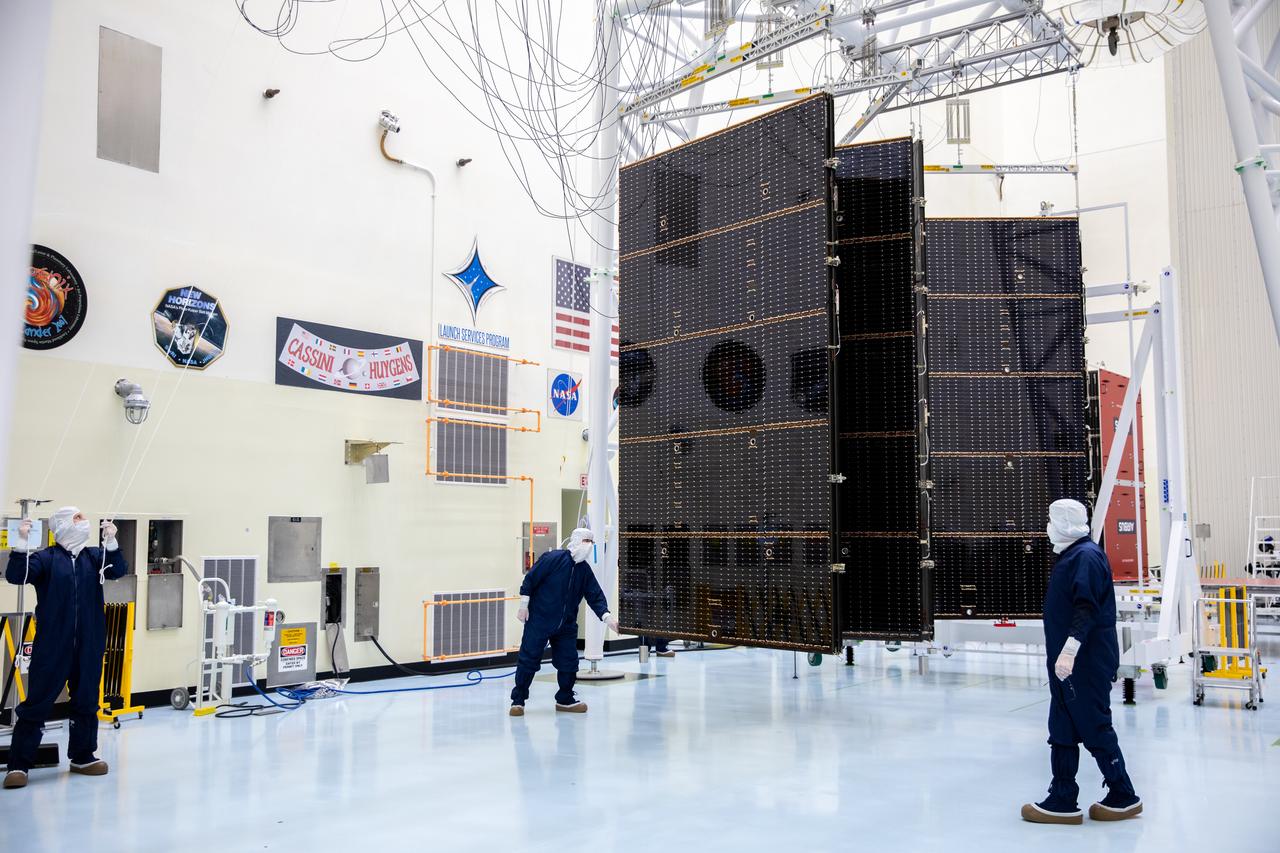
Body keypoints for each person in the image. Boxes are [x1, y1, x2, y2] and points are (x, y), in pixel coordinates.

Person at [1021, 499, 1141, 824]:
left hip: (1084, 663)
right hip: (1067, 666)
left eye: (1050, 520)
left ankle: (1123, 794)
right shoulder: (1072, 556)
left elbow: (1086, 608)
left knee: (1093, 726)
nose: (1047, 526)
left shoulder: (1086, 557)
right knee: (1062, 727)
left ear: (1064, 523)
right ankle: (1062, 796)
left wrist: (1070, 649)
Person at [4, 508, 128, 790]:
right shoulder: (45, 559)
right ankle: (19, 765)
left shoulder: (94, 557)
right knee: (37, 702)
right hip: (52, 645)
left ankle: (83, 756)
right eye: (77, 518)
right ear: (60, 525)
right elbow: (16, 576)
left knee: (86, 700)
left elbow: (118, 570)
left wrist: (111, 542)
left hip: (89, 642)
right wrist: (21, 544)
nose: (83, 522)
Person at [510, 527, 618, 716]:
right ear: (575, 541)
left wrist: (608, 618)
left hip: (566, 625)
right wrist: (523, 605)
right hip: (540, 620)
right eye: (586, 541)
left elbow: (595, 595)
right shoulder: (552, 559)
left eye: (591, 542)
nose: (588, 546)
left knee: (569, 662)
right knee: (529, 659)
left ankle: (565, 699)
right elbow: (530, 580)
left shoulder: (584, 570)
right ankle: (518, 701)